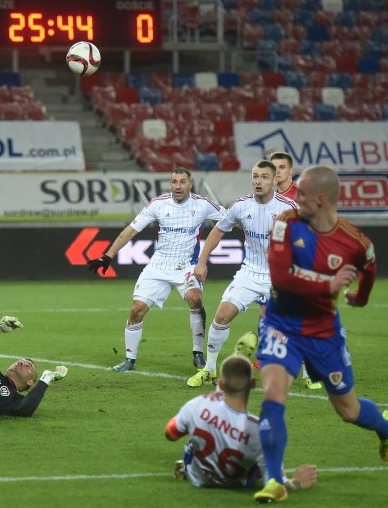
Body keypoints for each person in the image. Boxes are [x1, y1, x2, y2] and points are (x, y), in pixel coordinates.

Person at [254, 165, 388, 504]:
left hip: (323, 334)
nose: (293, 198)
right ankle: (275, 480)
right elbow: (281, 278)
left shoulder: (355, 242)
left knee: (347, 410)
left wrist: (359, 299)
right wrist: (327, 284)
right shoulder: (285, 223)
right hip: (282, 324)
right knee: (273, 394)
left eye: (300, 194)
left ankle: (386, 428)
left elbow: (370, 269)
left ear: (320, 199)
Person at [87, 167, 226, 372]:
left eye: (182, 182)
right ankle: (129, 360)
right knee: (136, 310)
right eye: (174, 182)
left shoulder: (203, 204)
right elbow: (130, 231)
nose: (177, 186)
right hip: (158, 265)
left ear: (190, 184)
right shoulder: (158, 204)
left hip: (186, 265)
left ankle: (198, 353)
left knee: (194, 298)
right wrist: (108, 255)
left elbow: (231, 218)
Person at [188, 161, 298, 387]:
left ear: (275, 180)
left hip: (280, 277)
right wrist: (201, 262)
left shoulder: (289, 208)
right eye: (255, 176)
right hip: (249, 273)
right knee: (221, 316)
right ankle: (209, 369)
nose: (259, 181)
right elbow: (218, 230)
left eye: (264, 177)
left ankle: (308, 374)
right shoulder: (240, 206)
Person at [166, 354, 318, 495]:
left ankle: (188, 466)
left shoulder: (197, 405)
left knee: (194, 432)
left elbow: (171, 433)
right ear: (253, 384)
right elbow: (278, 485)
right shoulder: (261, 430)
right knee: (264, 455)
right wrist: (297, 482)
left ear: (220, 384)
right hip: (238, 483)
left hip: (200, 478)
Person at [267, 152, 321, 389]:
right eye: (273, 167)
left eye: (281, 167)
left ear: (291, 171)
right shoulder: (267, 195)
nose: (276, 171)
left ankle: (309, 372)